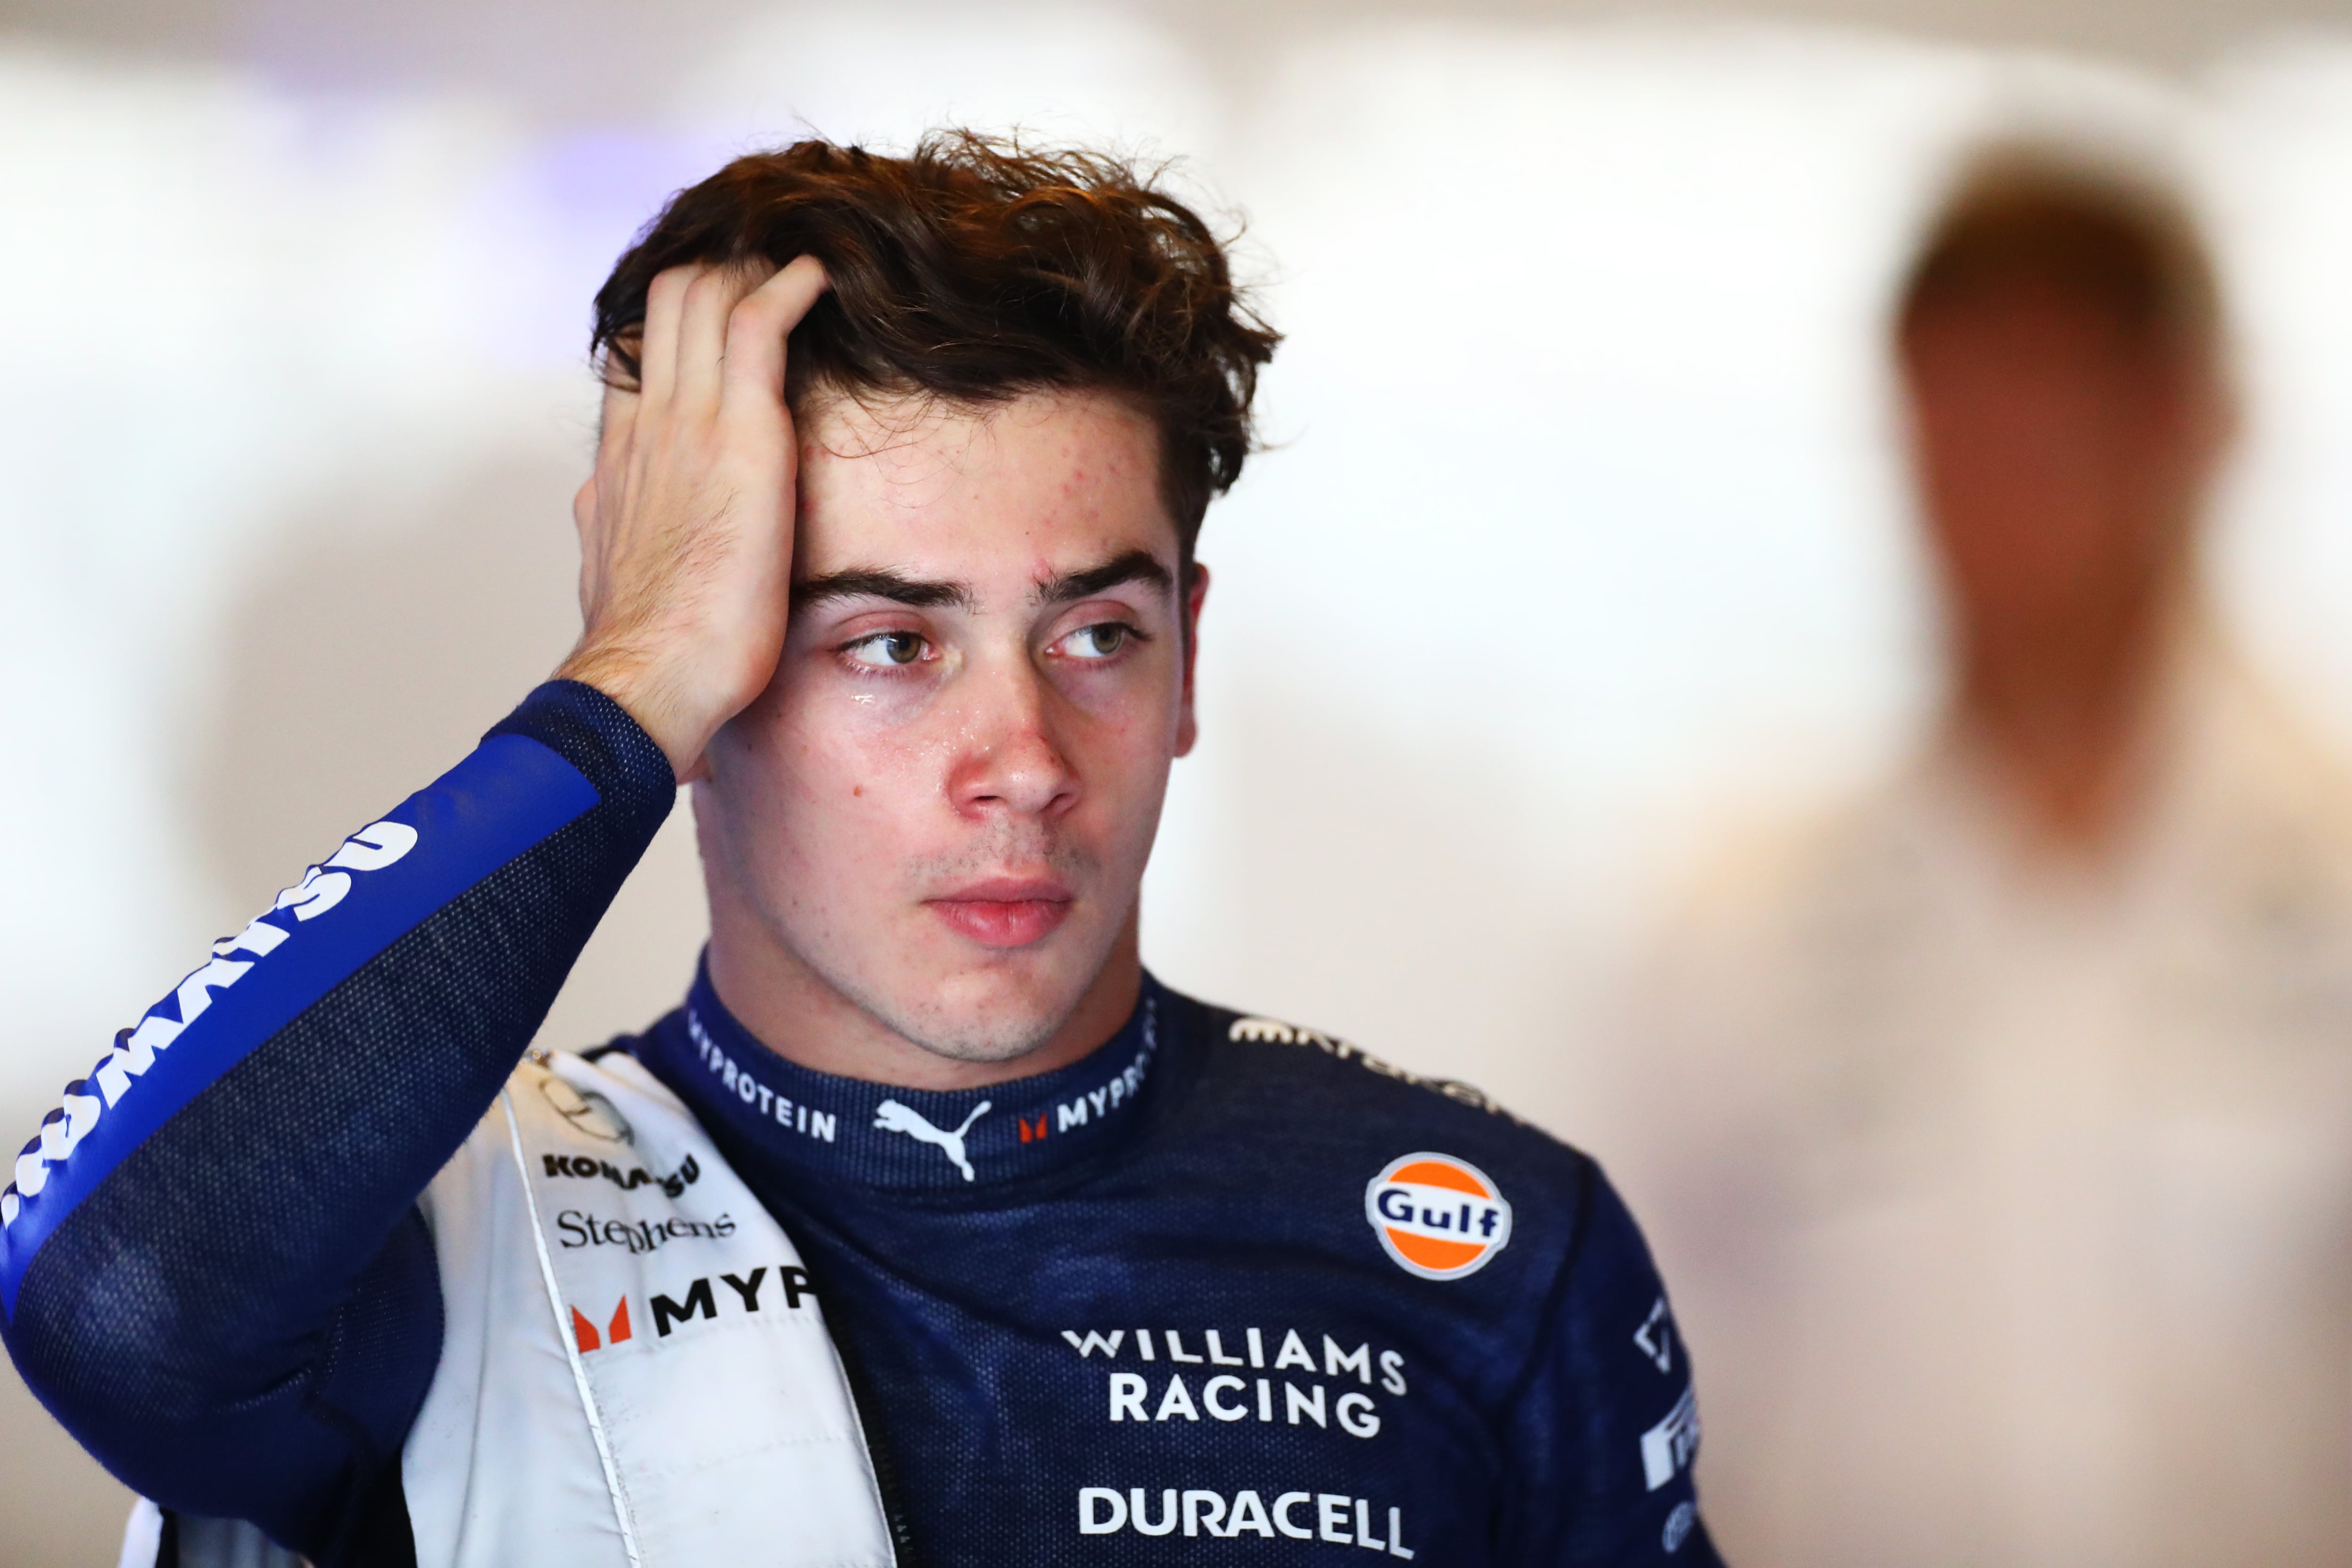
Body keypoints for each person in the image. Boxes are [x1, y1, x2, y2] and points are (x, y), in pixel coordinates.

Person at [0, 133, 1717, 1568]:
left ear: (1191, 656)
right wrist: (627, 678)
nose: (1024, 764)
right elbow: (106, 1297)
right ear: (716, 678)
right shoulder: (446, 1248)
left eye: (1097, 635)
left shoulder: (1493, 1249)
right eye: (890, 645)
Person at [1599, 142, 2352, 1568]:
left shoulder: (2333, 874)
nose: (2003, 489)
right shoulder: (1741, 923)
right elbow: (1631, 1395)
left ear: (2189, 425)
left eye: (2055, 414)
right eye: (1961, 418)